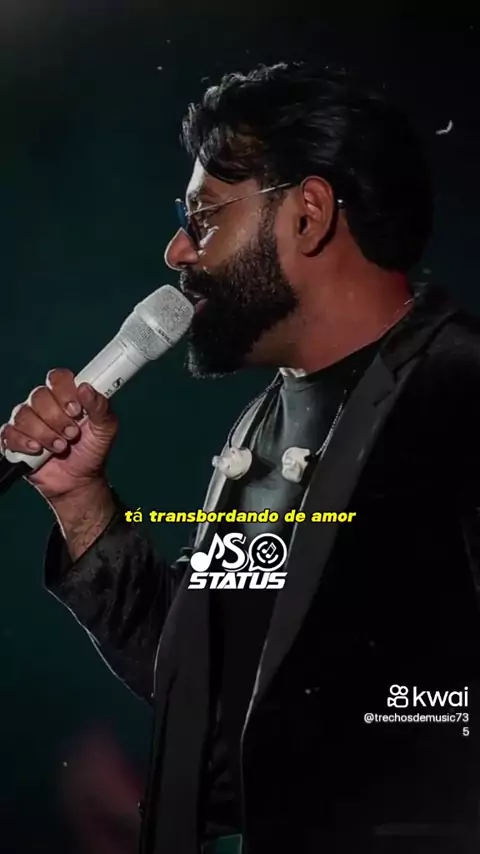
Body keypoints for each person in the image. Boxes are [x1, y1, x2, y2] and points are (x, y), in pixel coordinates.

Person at [3, 62, 480, 854]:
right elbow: (205, 695)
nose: (176, 250)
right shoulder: (259, 428)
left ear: (309, 214)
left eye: (202, 218)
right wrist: (83, 506)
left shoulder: (459, 393)